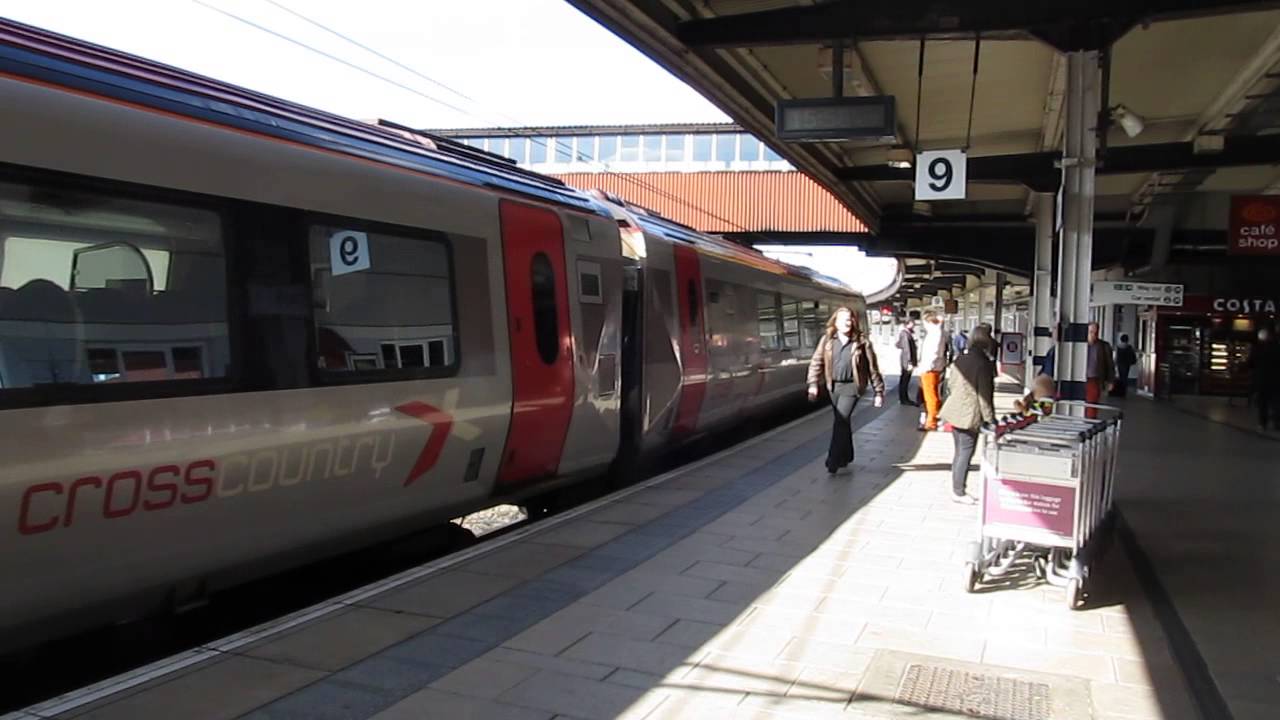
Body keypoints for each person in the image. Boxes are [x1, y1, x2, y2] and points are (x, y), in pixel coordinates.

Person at [807, 307, 886, 475]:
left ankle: (833, 460)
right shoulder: (827, 340)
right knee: (843, 422)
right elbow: (816, 361)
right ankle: (847, 455)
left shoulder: (861, 342)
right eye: (843, 320)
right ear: (835, 322)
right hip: (833, 386)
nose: (847, 323)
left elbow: (872, 367)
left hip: (852, 387)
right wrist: (813, 383)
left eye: (849, 319)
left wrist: (878, 391)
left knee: (840, 420)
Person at [939, 327, 996, 504]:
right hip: (969, 414)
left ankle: (956, 487)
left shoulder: (960, 359)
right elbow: (984, 396)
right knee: (965, 452)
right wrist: (990, 420)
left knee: (959, 451)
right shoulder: (983, 364)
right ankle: (959, 491)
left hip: (954, 410)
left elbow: (951, 384)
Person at [917, 312, 946, 431]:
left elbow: (933, 352)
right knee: (933, 394)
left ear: (929, 322)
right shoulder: (938, 332)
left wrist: (926, 367)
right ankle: (934, 417)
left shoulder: (935, 333)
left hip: (930, 369)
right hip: (934, 368)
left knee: (930, 396)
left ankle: (931, 422)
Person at [1249, 326, 1280, 432]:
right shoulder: (1277, 347)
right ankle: (1277, 422)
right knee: (1276, 401)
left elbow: (1251, 363)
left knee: (1263, 402)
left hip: (1262, 379)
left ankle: (1263, 423)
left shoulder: (1258, 348)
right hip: (1276, 379)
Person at [1086, 322, 1116, 415]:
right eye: (1091, 332)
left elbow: (1110, 364)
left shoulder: (1104, 346)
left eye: (1096, 333)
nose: (1093, 335)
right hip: (1081, 378)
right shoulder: (1080, 345)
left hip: (1094, 379)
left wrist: (1110, 381)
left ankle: (1090, 421)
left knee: (1092, 404)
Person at [895, 319, 918, 406]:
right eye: (913, 323)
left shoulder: (906, 333)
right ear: (908, 324)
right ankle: (904, 399)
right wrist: (909, 362)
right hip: (906, 360)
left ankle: (904, 398)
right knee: (905, 379)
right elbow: (907, 348)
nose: (914, 325)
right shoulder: (905, 334)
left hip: (906, 359)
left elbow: (898, 344)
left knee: (905, 379)